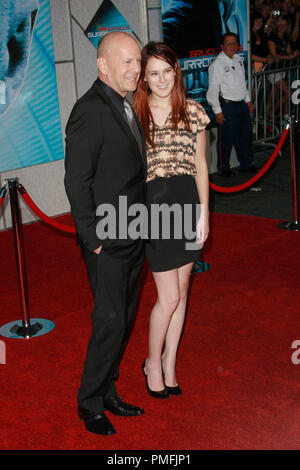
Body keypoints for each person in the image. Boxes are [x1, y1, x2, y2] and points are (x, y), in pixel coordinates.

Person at [64, 32, 147, 436]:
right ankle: (90, 402)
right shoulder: (90, 110)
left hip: (134, 233)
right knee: (110, 320)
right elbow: (77, 182)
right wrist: (92, 238)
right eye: (127, 61)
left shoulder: (124, 104)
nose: (135, 68)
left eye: (137, 60)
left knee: (126, 319)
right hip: (107, 238)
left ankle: (108, 388)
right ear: (102, 65)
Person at [132, 42, 209, 398]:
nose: (161, 79)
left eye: (167, 71)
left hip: (189, 207)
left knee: (182, 293)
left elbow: (201, 166)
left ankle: (169, 364)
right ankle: (151, 361)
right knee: (167, 297)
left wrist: (204, 213)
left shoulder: (193, 110)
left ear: (176, 71)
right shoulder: (135, 114)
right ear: (143, 79)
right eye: (153, 74)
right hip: (155, 210)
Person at [206, 33, 257, 177]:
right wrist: (218, 111)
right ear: (222, 46)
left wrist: (248, 100)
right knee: (226, 140)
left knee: (245, 137)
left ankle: (246, 164)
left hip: (242, 105)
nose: (232, 47)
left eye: (235, 43)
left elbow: (242, 83)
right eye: (229, 44)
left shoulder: (239, 59)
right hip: (227, 107)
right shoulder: (217, 65)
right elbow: (213, 90)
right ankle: (223, 168)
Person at [267, 16, 298, 118]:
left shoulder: (285, 37)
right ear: (277, 25)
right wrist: (289, 56)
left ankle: (271, 116)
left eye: (285, 25)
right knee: (289, 94)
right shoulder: (272, 37)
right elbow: (274, 55)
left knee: (274, 95)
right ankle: (271, 112)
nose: (282, 27)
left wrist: (293, 54)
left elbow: (290, 53)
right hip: (273, 70)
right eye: (280, 24)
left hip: (282, 69)